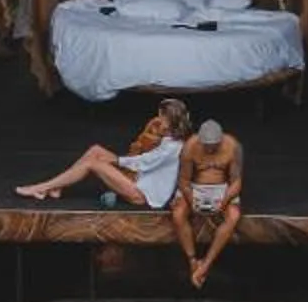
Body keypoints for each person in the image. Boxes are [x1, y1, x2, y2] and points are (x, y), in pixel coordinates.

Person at [16, 96, 192, 210]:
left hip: (142, 195)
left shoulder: (172, 147)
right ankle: (57, 187)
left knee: (93, 163)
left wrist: (115, 159)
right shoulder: (169, 141)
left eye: (160, 116)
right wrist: (114, 159)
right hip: (138, 182)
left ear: (169, 121)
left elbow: (144, 162)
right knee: (96, 150)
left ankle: (41, 187)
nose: (157, 120)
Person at [172, 115, 244, 289]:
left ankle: (206, 264)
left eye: (214, 146)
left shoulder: (232, 146)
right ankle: (192, 260)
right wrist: (191, 199)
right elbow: (183, 180)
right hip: (195, 188)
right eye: (207, 146)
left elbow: (236, 182)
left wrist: (224, 200)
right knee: (178, 213)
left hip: (222, 188)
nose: (210, 149)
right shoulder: (190, 146)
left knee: (233, 216)